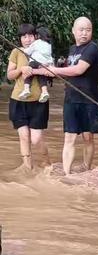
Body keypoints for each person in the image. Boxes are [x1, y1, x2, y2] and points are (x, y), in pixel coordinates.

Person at [47, 17, 98, 175]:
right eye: (81, 29)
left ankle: (86, 168)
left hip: (89, 100)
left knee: (87, 137)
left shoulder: (92, 48)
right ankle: (67, 173)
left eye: (88, 30)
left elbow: (78, 70)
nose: (84, 33)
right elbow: (69, 73)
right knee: (69, 137)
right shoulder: (72, 50)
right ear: (73, 31)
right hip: (71, 99)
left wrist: (54, 70)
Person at [6, 24, 50, 169]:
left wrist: (40, 70)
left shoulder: (41, 49)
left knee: (36, 139)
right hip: (18, 100)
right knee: (24, 136)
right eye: (24, 37)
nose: (27, 39)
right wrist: (21, 69)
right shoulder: (16, 52)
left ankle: (46, 163)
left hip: (39, 101)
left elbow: (51, 72)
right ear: (20, 39)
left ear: (35, 37)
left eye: (30, 36)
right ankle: (28, 169)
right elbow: (9, 75)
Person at [18, 26, 54, 103]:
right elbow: (49, 56)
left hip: (34, 62)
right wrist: (49, 63)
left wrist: (24, 50)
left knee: (28, 74)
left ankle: (26, 89)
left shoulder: (36, 42)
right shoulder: (49, 45)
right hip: (44, 64)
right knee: (42, 77)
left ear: (38, 35)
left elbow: (28, 51)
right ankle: (44, 92)